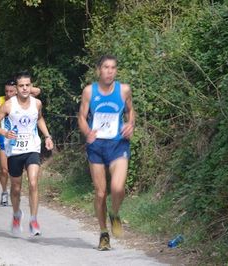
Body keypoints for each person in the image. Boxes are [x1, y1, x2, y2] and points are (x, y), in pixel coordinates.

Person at [77, 55, 135, 251]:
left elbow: (130, 111)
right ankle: (103, 234)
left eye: (113, 68)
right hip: (97, 146)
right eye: (106, 67)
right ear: (98, 70)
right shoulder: (89, 91)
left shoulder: (124, 90)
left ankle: (115, 214)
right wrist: (87, 132)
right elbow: (82, 117)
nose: (109, 71)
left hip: (118, 145)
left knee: (118, 188)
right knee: (101, 193)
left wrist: (130, 125)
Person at [0, 71, 53, 236]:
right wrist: (4, 133)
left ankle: (34, 219)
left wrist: (47, 136)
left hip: (32, 147)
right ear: (16, 88)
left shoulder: (37, 103)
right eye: (21, 86)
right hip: (15, 150)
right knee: (16, 188)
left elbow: (39, 119)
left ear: (31, 86)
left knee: (33, 182)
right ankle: (17, 214)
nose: (25, 88)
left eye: (27, 85)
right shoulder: (9, 105)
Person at [0, 79, 41, 206]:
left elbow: (38, 91)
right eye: (6, 91)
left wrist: (24, 87)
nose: (8, 93)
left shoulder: (22, 99)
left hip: (21, 140)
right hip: (4, 138)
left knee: (24, 172)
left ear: (16, 90)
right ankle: (4, 192)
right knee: (4, 169)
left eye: (11, 91)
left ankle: (16, 190)